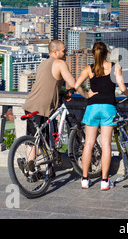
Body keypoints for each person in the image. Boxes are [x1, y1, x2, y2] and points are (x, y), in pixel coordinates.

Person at [22, 40, 88, 180]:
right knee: (46, 140)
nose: (66, 53)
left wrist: (62, 93)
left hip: (30, 105)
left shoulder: (43, 63)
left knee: (33, 139)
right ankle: (36, 166)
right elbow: (73, 83)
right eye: (64, 51)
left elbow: (49, 84)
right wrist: (86, 95)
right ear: (55, 52)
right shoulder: (60, 63)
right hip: (44, 108)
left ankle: (31, 171)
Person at [74, 41, 128, 190]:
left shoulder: (89, 69)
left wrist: (87, 95)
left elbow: (76, 86)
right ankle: (105, 181)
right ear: (107, 53)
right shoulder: (115, 67)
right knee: (106, 144)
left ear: (93, 54)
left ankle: (85, 179)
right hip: (108, 108)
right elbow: (123, 88)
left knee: (88, 144)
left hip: (92, 108)